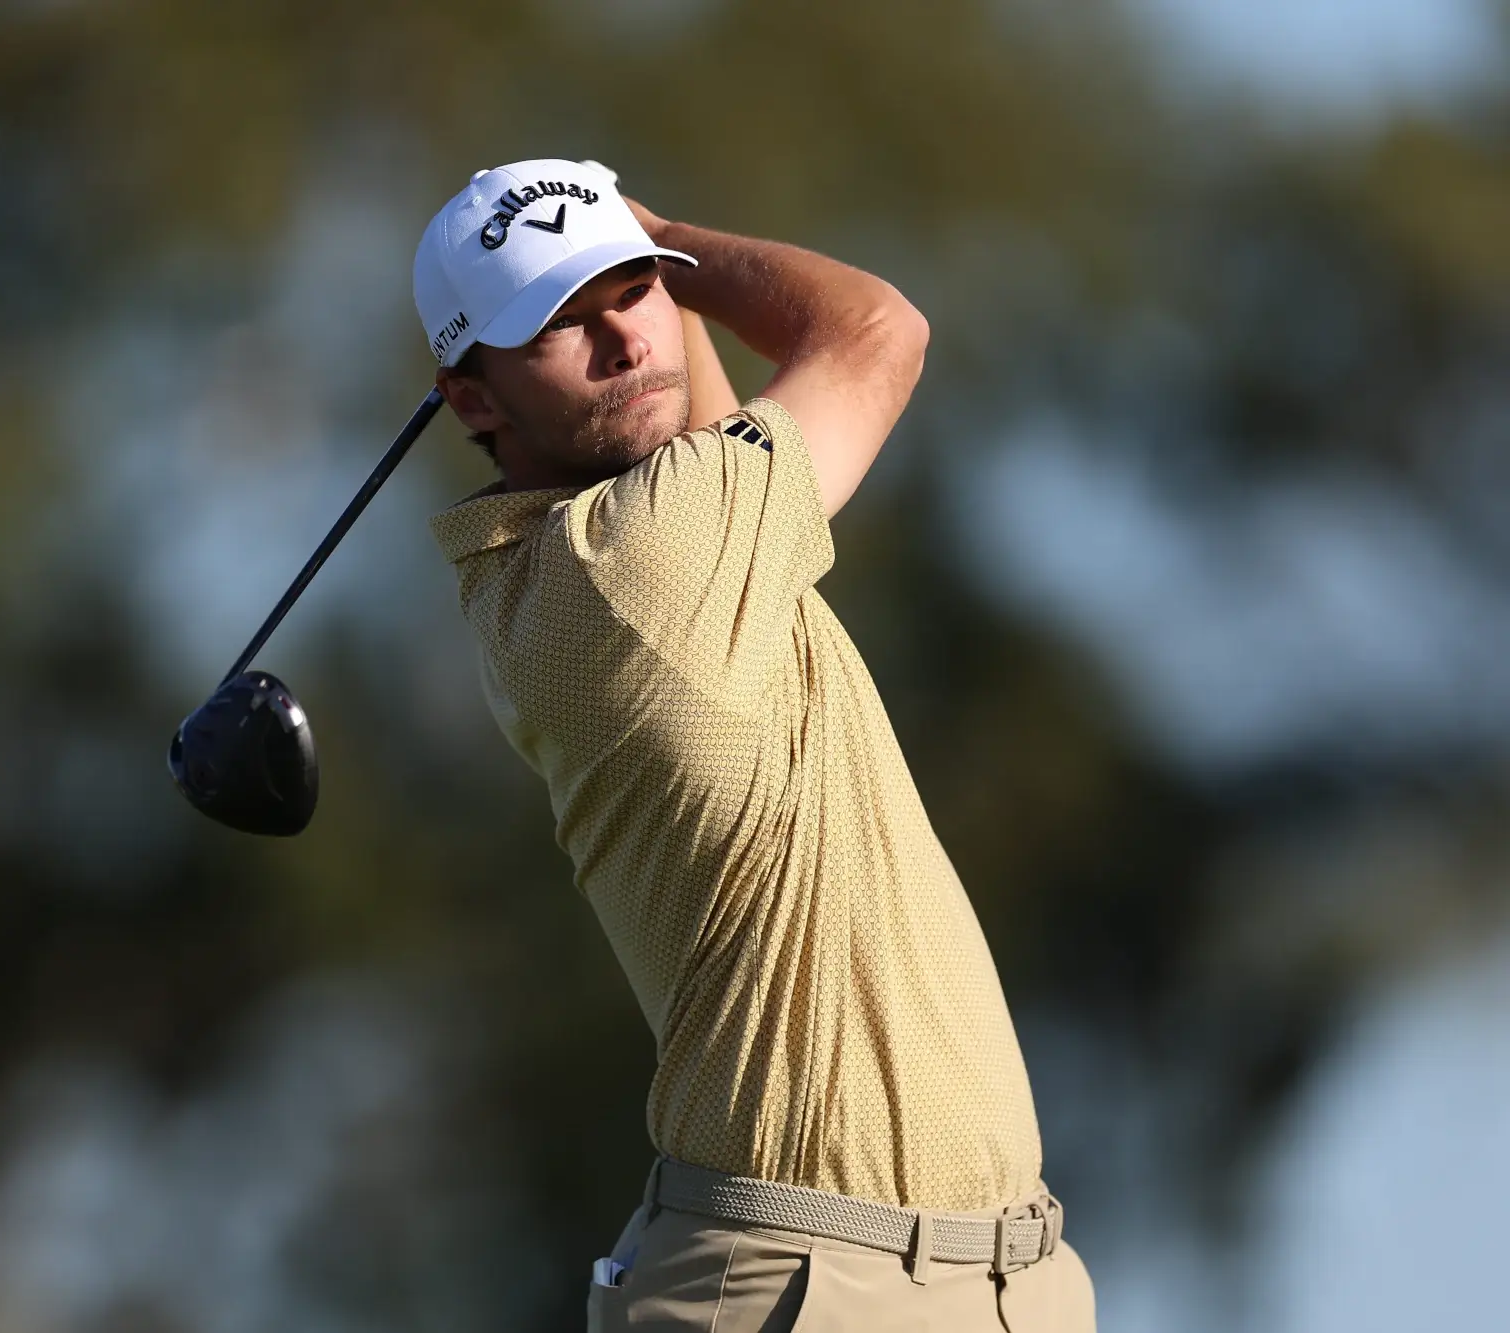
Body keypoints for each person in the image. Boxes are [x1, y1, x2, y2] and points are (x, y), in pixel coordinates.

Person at [415, 159, 1096, 1332]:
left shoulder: (648, 543)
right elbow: (877, 329)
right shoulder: (634, 562)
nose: (623, 342)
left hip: (991, 1281)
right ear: (473, 400)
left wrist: (649, 267)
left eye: (629, 294)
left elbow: (704, 421)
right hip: (811, 1283)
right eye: (558, 327)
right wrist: (668, 236)